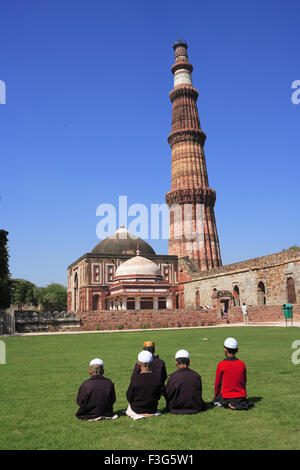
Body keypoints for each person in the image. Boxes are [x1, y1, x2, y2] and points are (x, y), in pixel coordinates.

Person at [212, 337, 253, 410]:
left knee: (217, 401)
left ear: (225, 350)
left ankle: (230, 404)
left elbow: (217, 384)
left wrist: (216, 396)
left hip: (226, 396)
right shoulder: (242, 364)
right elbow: (244, 381)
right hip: (240, 397)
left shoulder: (221, 364)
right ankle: (235, 404)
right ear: (237, 350)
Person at [165, 349, 206, 414]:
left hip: (176, 408)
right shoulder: (196, 376)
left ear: (176, 362)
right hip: (195, 407)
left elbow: (167, 394)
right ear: (189, 362)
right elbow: (199, 392)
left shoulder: (173, 377)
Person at [126, 350, 163, 420]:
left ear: (138, 363)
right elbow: (158, 396)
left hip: (137, 409)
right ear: (152, 363)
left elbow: (129, 396)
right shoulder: (157, 379)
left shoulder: (135, 379)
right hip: (152, 409)